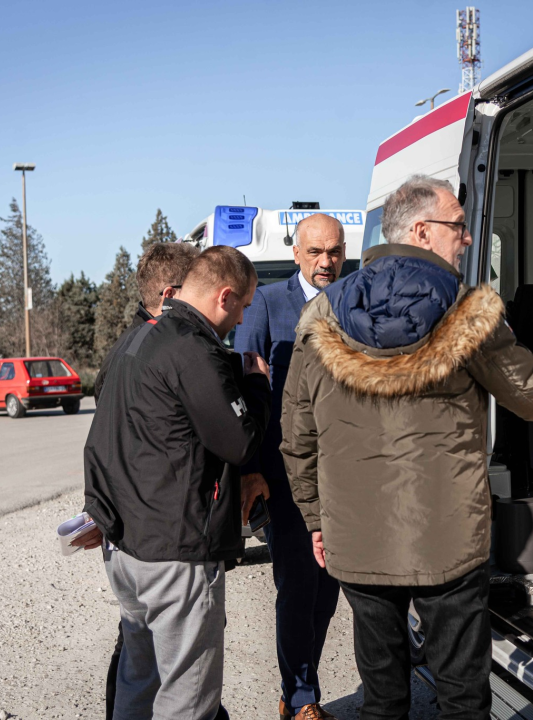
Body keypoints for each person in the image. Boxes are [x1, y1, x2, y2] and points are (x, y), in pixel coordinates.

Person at [280, 175, 533, 720]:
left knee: (383, 695)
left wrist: (314, 516)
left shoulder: (320, 314)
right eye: (459, 227)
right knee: (462, 696)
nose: (467, 239)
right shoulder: (467, 309)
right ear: (421, 231)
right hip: (447, 539)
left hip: (357, 538)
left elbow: (297, 434)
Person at [83, 245, 272, 720]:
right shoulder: (191, 347)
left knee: (139, 683)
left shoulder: (135, 340)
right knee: (187, 700)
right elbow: (240, 442)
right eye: (245, 305)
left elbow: (101, 444)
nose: (244, 316)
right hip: (177, 553)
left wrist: (99, 512)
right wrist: (256, 384)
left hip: (128, 548)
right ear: (224, 296)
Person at [78, 240, 201, 720]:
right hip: (153, 542)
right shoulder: (154, 351)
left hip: (129, 537)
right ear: (172, 293)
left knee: (144, 663)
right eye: (200, 287)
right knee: (165, 672)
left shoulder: (129, 347)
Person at [233, 214, 345, 720]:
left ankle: (300, 682)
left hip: (345, 477)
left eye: (335, 252)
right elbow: (246, 394)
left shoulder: (352, 304)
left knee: (329, 588)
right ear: (296, 253)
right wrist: (251, 469)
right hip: (286, 474)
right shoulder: (266, 304)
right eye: (316, 252)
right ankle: (301, 697)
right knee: (298, 584)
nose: (327, 262)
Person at [94, 242, 201, 402]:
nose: (202, 299)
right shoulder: (139, 359)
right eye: (197, 290)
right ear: (169, 296)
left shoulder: (141, 347)